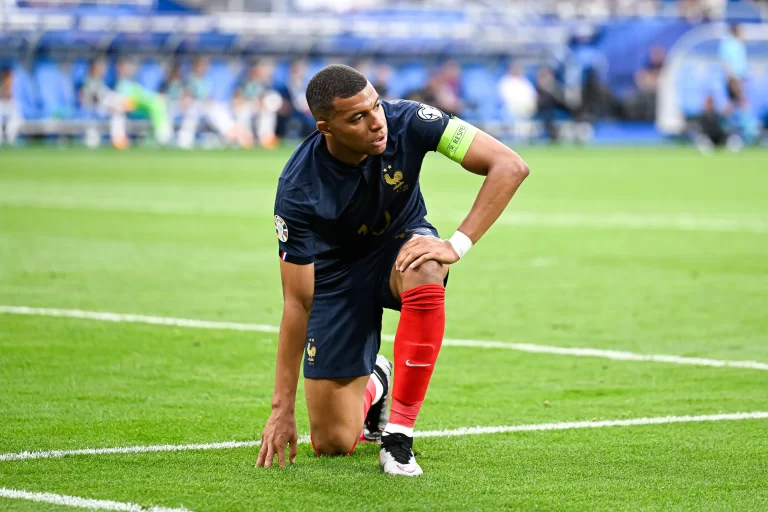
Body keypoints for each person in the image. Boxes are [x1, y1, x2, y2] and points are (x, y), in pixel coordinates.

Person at [256, 64, 529, 476]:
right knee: (332, 443)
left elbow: (509, 165)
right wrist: (281, 408)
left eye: (376, 106)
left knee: (427, 265)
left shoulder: (411, 119)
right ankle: (377, 378)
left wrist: (456, 244)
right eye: (357, 118)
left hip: (400, 248)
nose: (376, 122)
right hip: (334, 278)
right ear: (325, 128)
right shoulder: (298, 189)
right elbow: (297, 302)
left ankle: (398, 437)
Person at [113, 59, 172, 147]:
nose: (128, 69)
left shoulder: (134, 85)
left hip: (139, 109)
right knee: (117, 112)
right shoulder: (122, 85)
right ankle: (119, 140)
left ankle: (163, 137)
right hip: (128, 110)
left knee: (158, 104)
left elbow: (145, 99)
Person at [232, 60, 282, 149]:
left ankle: (266, 137)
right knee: (243, 111)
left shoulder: (263, 83)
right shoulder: (243, 81)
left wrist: (260, 102)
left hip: (258, 105)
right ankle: (245, 137)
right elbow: (237, 96)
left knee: (268, 110)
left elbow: (264, 96)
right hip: (246, 104)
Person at [0, 65, 21, 146]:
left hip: (12, 113)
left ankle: (10, 143)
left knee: (13, 125)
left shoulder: (15, 90)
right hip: (2, 111)